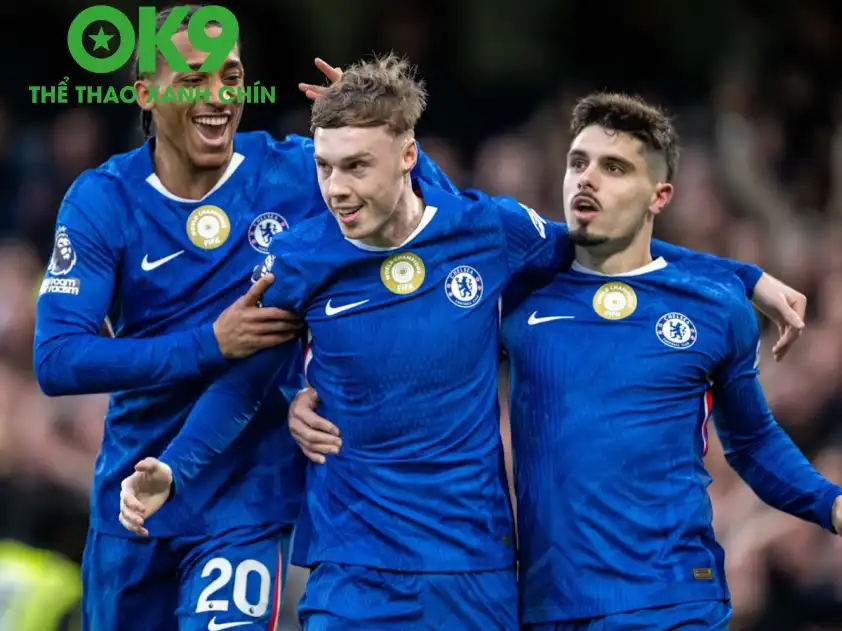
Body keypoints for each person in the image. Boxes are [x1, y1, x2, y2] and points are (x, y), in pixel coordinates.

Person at [117, 54, 805, 630]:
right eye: (324, 167)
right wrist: (175, 467)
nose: (335, 189)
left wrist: (739, 276)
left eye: (356, 166)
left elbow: (608, 249)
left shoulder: (490, 231)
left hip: (473, 572)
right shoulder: (301, 258)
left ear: (408, 157)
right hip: (351, 574)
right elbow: (244, 380)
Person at [289, 91, 841, 630]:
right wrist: (299, 393)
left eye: (614, 168)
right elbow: (445, 235)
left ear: (660, 196)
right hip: (551, 605)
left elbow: (753, 442)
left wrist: (829, 504)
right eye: (578, 162)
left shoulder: (715, 307)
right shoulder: (521, 295)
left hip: (675, 599)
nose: (587, 179)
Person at [33, 7, 454, 631]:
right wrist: (209, 344)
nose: (218, 96)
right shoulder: (104, 198)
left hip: (246, 502)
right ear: (146, 93)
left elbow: (440, 222)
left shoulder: (293, 173)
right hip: (132, 501)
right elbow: (57, 359)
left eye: (231, 76)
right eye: (194, 79)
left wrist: (380, 131)